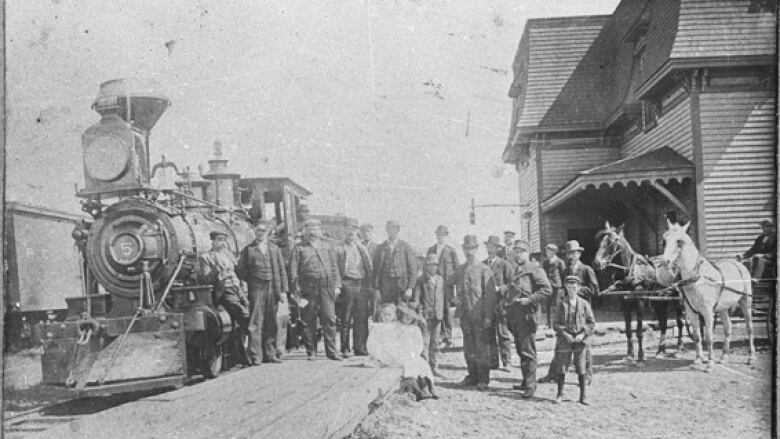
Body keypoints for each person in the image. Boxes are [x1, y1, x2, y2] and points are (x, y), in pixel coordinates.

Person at [289, 219, 343, 361]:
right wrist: (296, 291)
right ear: (306, 231)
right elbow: (293, 271)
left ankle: (331, 352)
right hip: (308, 288)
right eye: (310, 229)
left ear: (320, 231)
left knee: (329, 319)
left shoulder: (328, 246)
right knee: (308, 320)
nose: (313, 232)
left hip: (326, 286)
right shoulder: (299, 248)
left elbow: (334, 267)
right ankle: (311, 351)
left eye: (316, 229)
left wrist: (337, 285)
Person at [236, 220, 289, 364]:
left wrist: (283, 290)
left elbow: (281, 270)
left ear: (268, 232)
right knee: (255, 321)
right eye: (258, 230)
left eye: (263, 230)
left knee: (272, 321)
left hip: (273, 286)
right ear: (255, 231)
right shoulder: (248, 249)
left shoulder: (274, 249)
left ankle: (270, 354)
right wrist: (252, 280)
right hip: (257, 288)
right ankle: (255, 356)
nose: (261, 233)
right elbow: (240, 270)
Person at [506, 239, 552, 398]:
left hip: (527, 315)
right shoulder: (515, 269)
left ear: (528, 253)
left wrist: (530, 299)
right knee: (521, 350)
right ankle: (526, 381)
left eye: (521, 252)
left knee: (528, 352)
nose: (518, 255)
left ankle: (531, 386)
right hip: (516, 316)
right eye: (516, 252)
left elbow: (547, 290)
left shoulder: (534, 269)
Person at [197, 230, 251, 365]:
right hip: (224, 291)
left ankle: (243, 357)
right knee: (245, 317)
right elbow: (205, 279)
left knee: (237, 325)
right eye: (219, 239)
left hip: (238, 289)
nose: (222, 243)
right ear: (213, 241)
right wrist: (216, 273)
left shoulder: (229, 255)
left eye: (224, 239)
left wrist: (243, 290)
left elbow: (238, 273)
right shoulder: (206, 257)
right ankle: (254, 353)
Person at [452, 235, 496, 391]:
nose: (468, 251)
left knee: (481, 348)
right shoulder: (460, 269)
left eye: (471, 248)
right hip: (465, 316)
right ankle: (472, 376)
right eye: (466, 248)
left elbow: (490, 296)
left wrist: (488, 317)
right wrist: (454, 298)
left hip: (480, 316)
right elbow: (448, 284)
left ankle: (483, 379)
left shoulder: (484, 269)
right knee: (468, 347)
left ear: (477, 249)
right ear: (463, 249)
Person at [552, 275, 596, 405]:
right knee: (561, 366)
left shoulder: (584, 304)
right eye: (569, 287)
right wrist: (565, 334)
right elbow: (555, 324)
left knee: (581, 367)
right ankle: (560, 394)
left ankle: (583, 396)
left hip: (580, 340)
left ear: (579, 288)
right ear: (566, 287)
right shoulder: (561, 304)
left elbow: (591, 323)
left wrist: (582, 335)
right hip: (565, 340)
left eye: (574, 287)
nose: (572, 290)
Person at [561, 240, 599, 384]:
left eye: (574, 253)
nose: (571, 256)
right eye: (569, 253)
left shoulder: (586, 269)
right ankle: (554, 373)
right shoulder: (565, 271)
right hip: (568, 310)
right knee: (563, 341)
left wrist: (578, 290)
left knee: (584, 343)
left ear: (579, 254)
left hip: (583, 310)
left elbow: (595, 290)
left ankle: (587, 375)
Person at [336, 218, 374, 357]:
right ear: (344, 230)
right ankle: (345, 348)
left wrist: (369, 286)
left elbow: (369, 268)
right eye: (348, 229)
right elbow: (336, 269)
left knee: (361, 318)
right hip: (347, 283)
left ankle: (360, 347)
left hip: (361, 285)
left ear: (357, 231)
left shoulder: (362, 248)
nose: (350, 232)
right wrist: (339, 285)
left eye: (353, 229)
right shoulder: (339, 248)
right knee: (346, 318)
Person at [483, 235, 514, 372]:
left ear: (497, 249)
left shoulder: (504, 264)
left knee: (503, 333)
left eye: (493, 247)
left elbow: (513, 283)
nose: (490, 249)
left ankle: (507, 362)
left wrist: (501, 288)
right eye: (488, 246)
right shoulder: (483, 264)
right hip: (487, 306)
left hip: (501, 304)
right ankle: (493, 362)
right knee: (489, 334)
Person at [426, 225, 459, 348]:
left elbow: (456, 269)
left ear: (446, 236)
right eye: (439, 234)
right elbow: (426, 266)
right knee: (435, 310)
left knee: (446, 310)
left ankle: (448, 337)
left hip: (446, 286)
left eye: (443, 234)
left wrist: (454, 285)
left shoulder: (451, 250)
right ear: (436, 235)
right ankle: (438, 336)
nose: (440, 237)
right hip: (433, 285)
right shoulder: (431, 249)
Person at [412, 253, 445, 374]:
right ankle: (424, 368)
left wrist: (442, 314)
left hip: (437, 315)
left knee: (435, 343)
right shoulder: (421, 280)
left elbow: (442, 298)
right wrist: (420, 313)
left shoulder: (440, 280)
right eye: (430, 265)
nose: (433, 268)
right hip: (425, 316)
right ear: (426, 266)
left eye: (435, 265)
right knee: (424, 343)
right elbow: (416, 299)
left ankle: (434, 367)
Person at [373, 220, 418, 305]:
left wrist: (410, 288)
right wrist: (376, 289)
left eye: (395, 229)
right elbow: (376, 270)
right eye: (390, 229)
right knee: (386, 311)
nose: (392, 231)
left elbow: (413, 268)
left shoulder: (405, 246)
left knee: (402, 311)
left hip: (401, 286)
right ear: (387, 230)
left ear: (398, 230)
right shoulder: (381, 248)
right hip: (385, 287)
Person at [359, 223, 381, 316]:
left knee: (374, 304)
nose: (366, 234)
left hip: (373, 281)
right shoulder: (358, 246)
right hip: (361, 280)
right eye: (363, 231)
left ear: (372, 232)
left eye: (368, 231)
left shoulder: (378, 247)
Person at [542, 243, 565, 328]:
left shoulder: (560, 262)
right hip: (548, 287)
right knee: (548, 304)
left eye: (549, 251)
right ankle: (548, 322)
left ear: (554, 252)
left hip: (557, 287)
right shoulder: (545, 262)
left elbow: (563, 275)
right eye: (546, 251)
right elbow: (543, 274)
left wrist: (562, 288)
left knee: (557, 304)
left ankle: (557, 323)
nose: (547, 253)